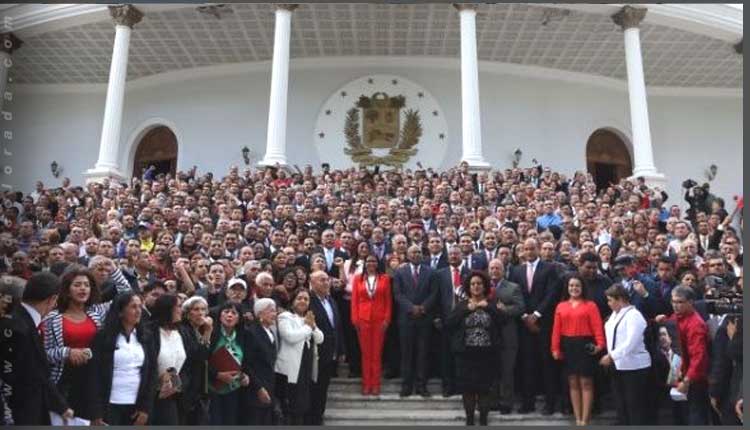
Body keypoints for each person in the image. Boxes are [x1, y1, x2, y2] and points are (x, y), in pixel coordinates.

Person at [1, 272, 73, 425]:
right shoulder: (17, 328)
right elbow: (26, 374)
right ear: (52, 299)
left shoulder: (23, 320)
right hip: (19, 413)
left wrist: (60, 406)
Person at [88, 292, 157, 425]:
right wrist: (96, 412)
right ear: (120, 312)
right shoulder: (103, 337)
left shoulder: (146, 336)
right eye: (133, 307)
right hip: (109, 405)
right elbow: (93, 374)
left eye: (140, 306)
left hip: (136, 406)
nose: (138, 311)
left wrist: (145, 408)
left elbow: (152, 372)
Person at [509, 238, 560, 414]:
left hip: (544, 324)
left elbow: (552, 294)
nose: (529, 252)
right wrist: (524, 316)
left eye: (532, 248)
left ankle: (550, 403)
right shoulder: (516, 271)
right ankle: (527, 403)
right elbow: (514, 295)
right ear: (522, 250)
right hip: (524, 325)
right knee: (527, 364)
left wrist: (537, 315)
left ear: (538, 249)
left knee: (547, 364)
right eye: (526, 249)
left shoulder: (550, 268)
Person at [445, 271, 503, 426]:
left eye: (479, 284)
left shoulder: (491, 303)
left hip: (487, 354)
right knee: (468, 388)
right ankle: (470, 419)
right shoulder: (462, 305)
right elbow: (449, 324)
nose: (476, 286)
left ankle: (483, 419)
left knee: (485, 388)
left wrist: (490, 308)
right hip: (465, 354)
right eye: (473, 284)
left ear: (484, 286)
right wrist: (466, 310)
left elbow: (503, 321)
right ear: (468, 287)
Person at [551, 275, 605, 426]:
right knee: (573, 382)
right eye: (571, 286)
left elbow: (597, 327)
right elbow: (556, 330)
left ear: (582, 288)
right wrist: (555, 348)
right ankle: (577, 419)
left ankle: (585, 421)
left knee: (586, 382)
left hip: (585, 345)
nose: (574, 288)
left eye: (577, 286)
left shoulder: (591, 305)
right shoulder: (561, 306)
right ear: (567, 288)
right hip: (568, 346)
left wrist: (600, 345)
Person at [655, 286, 710, 425]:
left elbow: (699, 356)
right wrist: (663, 322)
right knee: (679, 415)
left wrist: (687, 380)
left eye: (680, 302)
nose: (675, 305)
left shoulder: (696, 324)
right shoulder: (676, 317)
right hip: (676, 371)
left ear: (691, 302)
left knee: (694, 416)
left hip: (692, 378)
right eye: (673, 301)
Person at [600, 284, 651, 425]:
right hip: (618, 366)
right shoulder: (614, 316)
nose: (608, 304)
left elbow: (631, 343)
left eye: (610, 300)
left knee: (634, 406)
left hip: (634, 367)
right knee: (621, 404)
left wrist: (611, 356)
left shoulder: (634, 315)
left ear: (621, 299)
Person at [392, 244, 436, 398]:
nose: (416, 254)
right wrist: (411, 308)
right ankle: (406, 385)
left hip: (424, 318)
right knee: (406, 353)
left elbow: (434, 293)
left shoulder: (430, 272)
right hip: (406, 318)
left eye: (418, 252)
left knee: (423, 353)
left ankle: (421, 386)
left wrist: (423, 308)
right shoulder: (399, 272)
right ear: (408, 255)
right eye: (413, 252)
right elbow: (397, 294)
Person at [275, 288, 324, 425]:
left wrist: (312, 326)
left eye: (306, 299)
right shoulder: (285, 317)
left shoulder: (308, 319)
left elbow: (320, 339)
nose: (303, 301)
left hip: (305, 367)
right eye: (299, 298)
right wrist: (308, 327)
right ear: (293, 301)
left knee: (302, 406)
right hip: (290, 369)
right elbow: (290, 337)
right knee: (290, 406)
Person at [307, 270, 346, 424]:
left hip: (330, 353)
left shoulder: (331, 300)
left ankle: (318, 417)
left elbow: (337, 326)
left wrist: (341, 349)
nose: (325, 283)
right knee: (313, 390)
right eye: (321, 280)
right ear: (312, 282)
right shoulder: (308, 300)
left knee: (323, 389)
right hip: (314, 353)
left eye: (327, 280)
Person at [351, 254, 392, 395]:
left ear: (378, 263)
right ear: (365, 263)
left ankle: (375, 384)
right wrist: (355, 320)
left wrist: (387, 319)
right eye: (368, 261)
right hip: (363, 320)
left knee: (377, 353)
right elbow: (354, 301)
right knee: (366, 354)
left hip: (379, 321)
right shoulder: (358, 279)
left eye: (374, 261)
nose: (371, 263)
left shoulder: (385, 279)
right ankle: (366, 384)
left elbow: (388, 301)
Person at [487, 258, 524, 415]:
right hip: (489, 336)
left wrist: (505, 309)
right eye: (492, 268)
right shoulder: (483, 287)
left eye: (498, 268)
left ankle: (506, 402)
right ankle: (493, 400)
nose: (494, 270)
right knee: (492, 370)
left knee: (507, 370)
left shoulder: (513, 287)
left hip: (507, 335)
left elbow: (520, 307)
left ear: (503, 270)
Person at [207, 301, 252, 425]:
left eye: (234, 313)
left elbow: (245, 362)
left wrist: (244, 375)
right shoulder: (212, 333)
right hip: (213, 389)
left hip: (234, 389)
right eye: (226, 312)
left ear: (239, 318)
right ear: (220, 316)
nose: (229, 315)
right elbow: (202, 361)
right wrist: (218, 375)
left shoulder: (244, 335)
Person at [148, 294, 188, 425]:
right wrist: (159, 380)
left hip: (172, 396)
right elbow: (145, 364)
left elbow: (188, 365)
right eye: (178, 306)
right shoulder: (149, 331)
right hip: (150, 397)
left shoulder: (181, 332)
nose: (181, 310)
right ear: (167, 309)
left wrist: (177, 384)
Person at [179, 296, 213, 425]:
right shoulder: (184, 331)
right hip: (187, 388)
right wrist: (208, 332)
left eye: (203, 309)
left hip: (199, 389)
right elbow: (198, 357)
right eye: (196, 309)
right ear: (187, 314)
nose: (200, 313)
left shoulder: (197, 331)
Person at [246, 298, 279, 425]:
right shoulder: (252, 333)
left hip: (269, 385)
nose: (274, 314)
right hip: (255, 389)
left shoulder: (270, 332)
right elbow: (247, 364)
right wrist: (259, 388)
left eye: (275, 311)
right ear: (260, 313)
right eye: (271, 311)